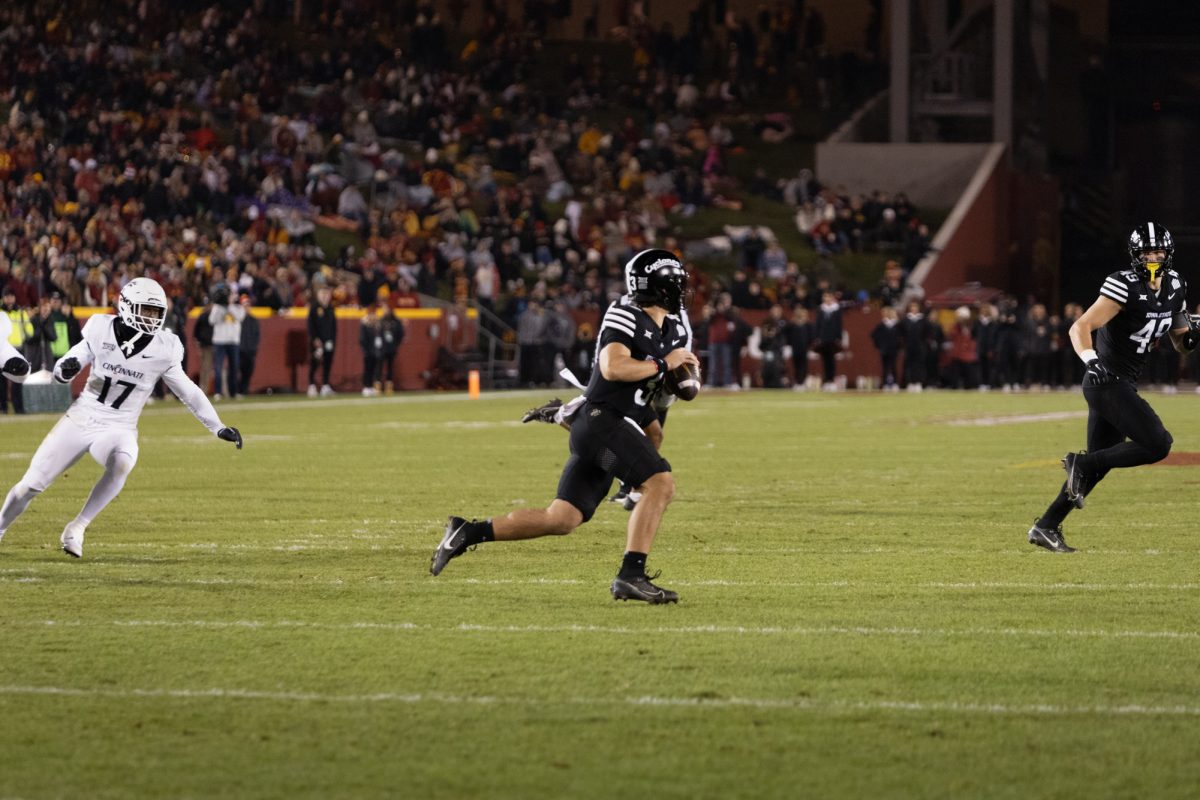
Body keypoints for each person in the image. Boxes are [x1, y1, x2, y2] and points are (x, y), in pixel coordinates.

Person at [432, 249, 699, 603]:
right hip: (604, 420)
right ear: (662, 286)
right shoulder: (626, 315)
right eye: (677, 283)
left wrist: (677, 376)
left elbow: (659, 398)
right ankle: (631, 574)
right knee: (661, 485)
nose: (682, 291)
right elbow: (613, 368)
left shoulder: (674, 327)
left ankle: (468, 531)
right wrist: (664, 365)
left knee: (562, 518)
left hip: (616, 422)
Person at [0, 278, 243, 558]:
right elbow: (71, 360)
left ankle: (76, 528)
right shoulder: (101, 327)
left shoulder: (165, 346)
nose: (151, 318)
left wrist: (217, 427)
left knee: (124, 459)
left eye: (155, 312)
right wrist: (65, 370)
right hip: (82, 417)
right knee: (30, 485)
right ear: (127, 306)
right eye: (146, 310)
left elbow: (189, 391)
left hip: (119, 425)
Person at [1028, 222, 1195, 553]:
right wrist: (1091, 360)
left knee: (1099, 467)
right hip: (1105, 380)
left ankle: (1046, 525)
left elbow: (1181, 342)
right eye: (1146, 251)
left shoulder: (1176, 285)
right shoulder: (1124, 284)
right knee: (1158, 444)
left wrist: (1192, 334)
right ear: (1135, 254)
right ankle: (1082, 463)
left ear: (1169, 252)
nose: (1152, 256)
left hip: (1123, 382)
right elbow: (1081, 326)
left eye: (1158, 250)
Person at [209, 285, 245, 400]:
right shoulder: (217, 307)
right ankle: (218, 392)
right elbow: (212, 320)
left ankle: (234, 392)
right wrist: (222, 308)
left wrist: (229, 306)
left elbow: (240, 317)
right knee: (218, 367)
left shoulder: (238, 307)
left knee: (234, 367)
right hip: (219, 340)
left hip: (233, 340)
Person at [307, 284, 336, 397]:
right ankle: (311, 385)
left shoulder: (330, 308)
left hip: (329, 341)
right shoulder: (314, 308)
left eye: (327, 294)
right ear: (318, 295)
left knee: (327, 362)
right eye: (323, 293)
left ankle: (325, 385)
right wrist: (314, 339)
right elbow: (311, 325)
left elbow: (333, 326)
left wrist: (333, 340)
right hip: (317, 341)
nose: (325, 296)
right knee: (314, 362)